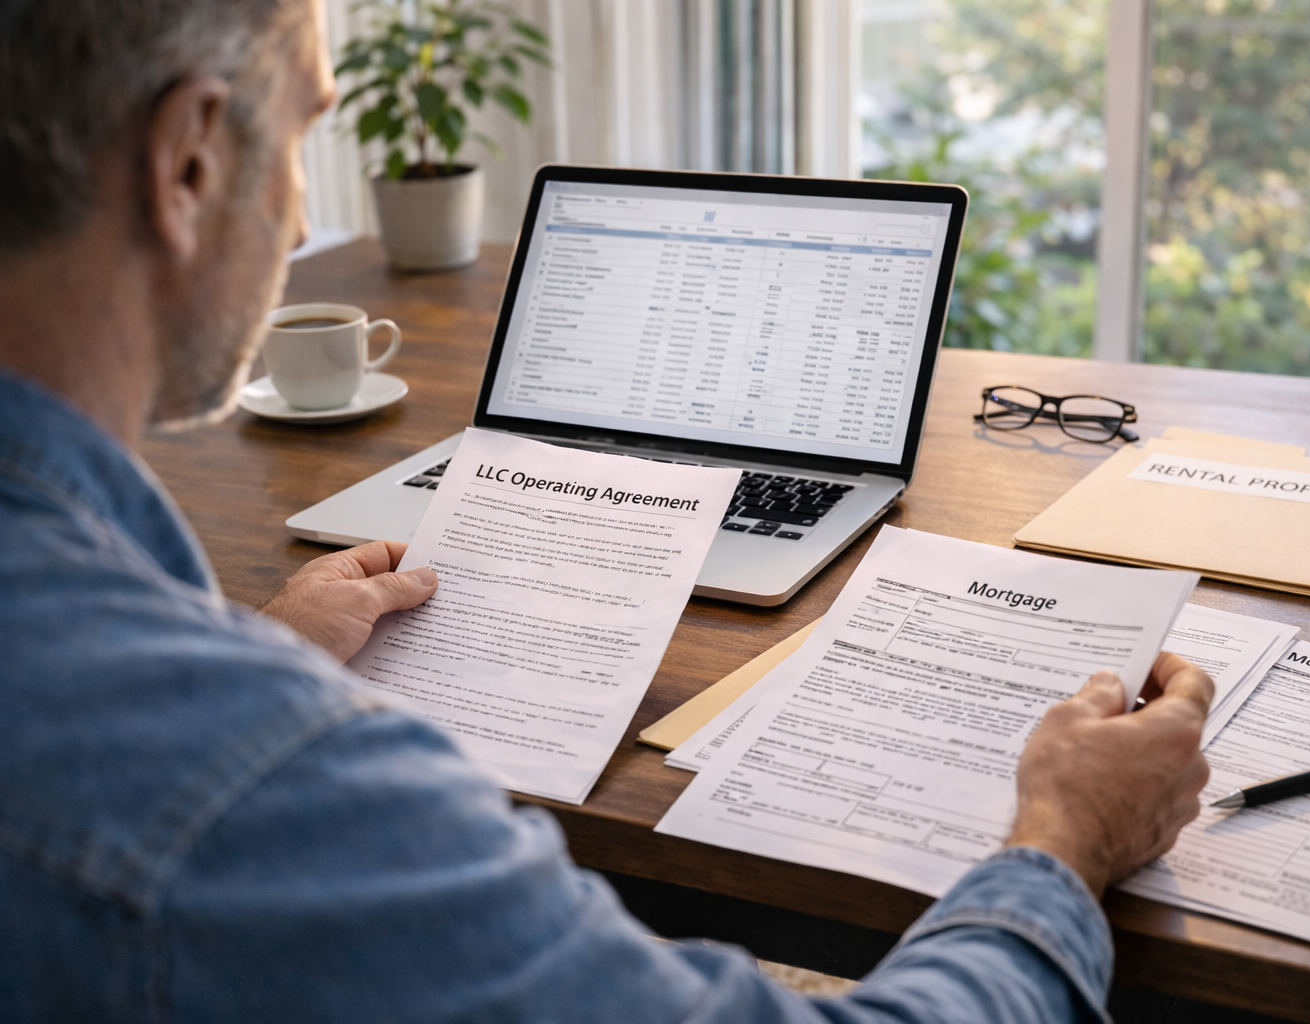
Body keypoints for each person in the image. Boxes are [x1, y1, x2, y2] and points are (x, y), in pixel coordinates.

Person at [0, 1, 1213, 1020]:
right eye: (308, 131)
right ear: (191, 161)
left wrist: (264, 649)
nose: (307, 221)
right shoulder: (271, 786)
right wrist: (1065, 837)